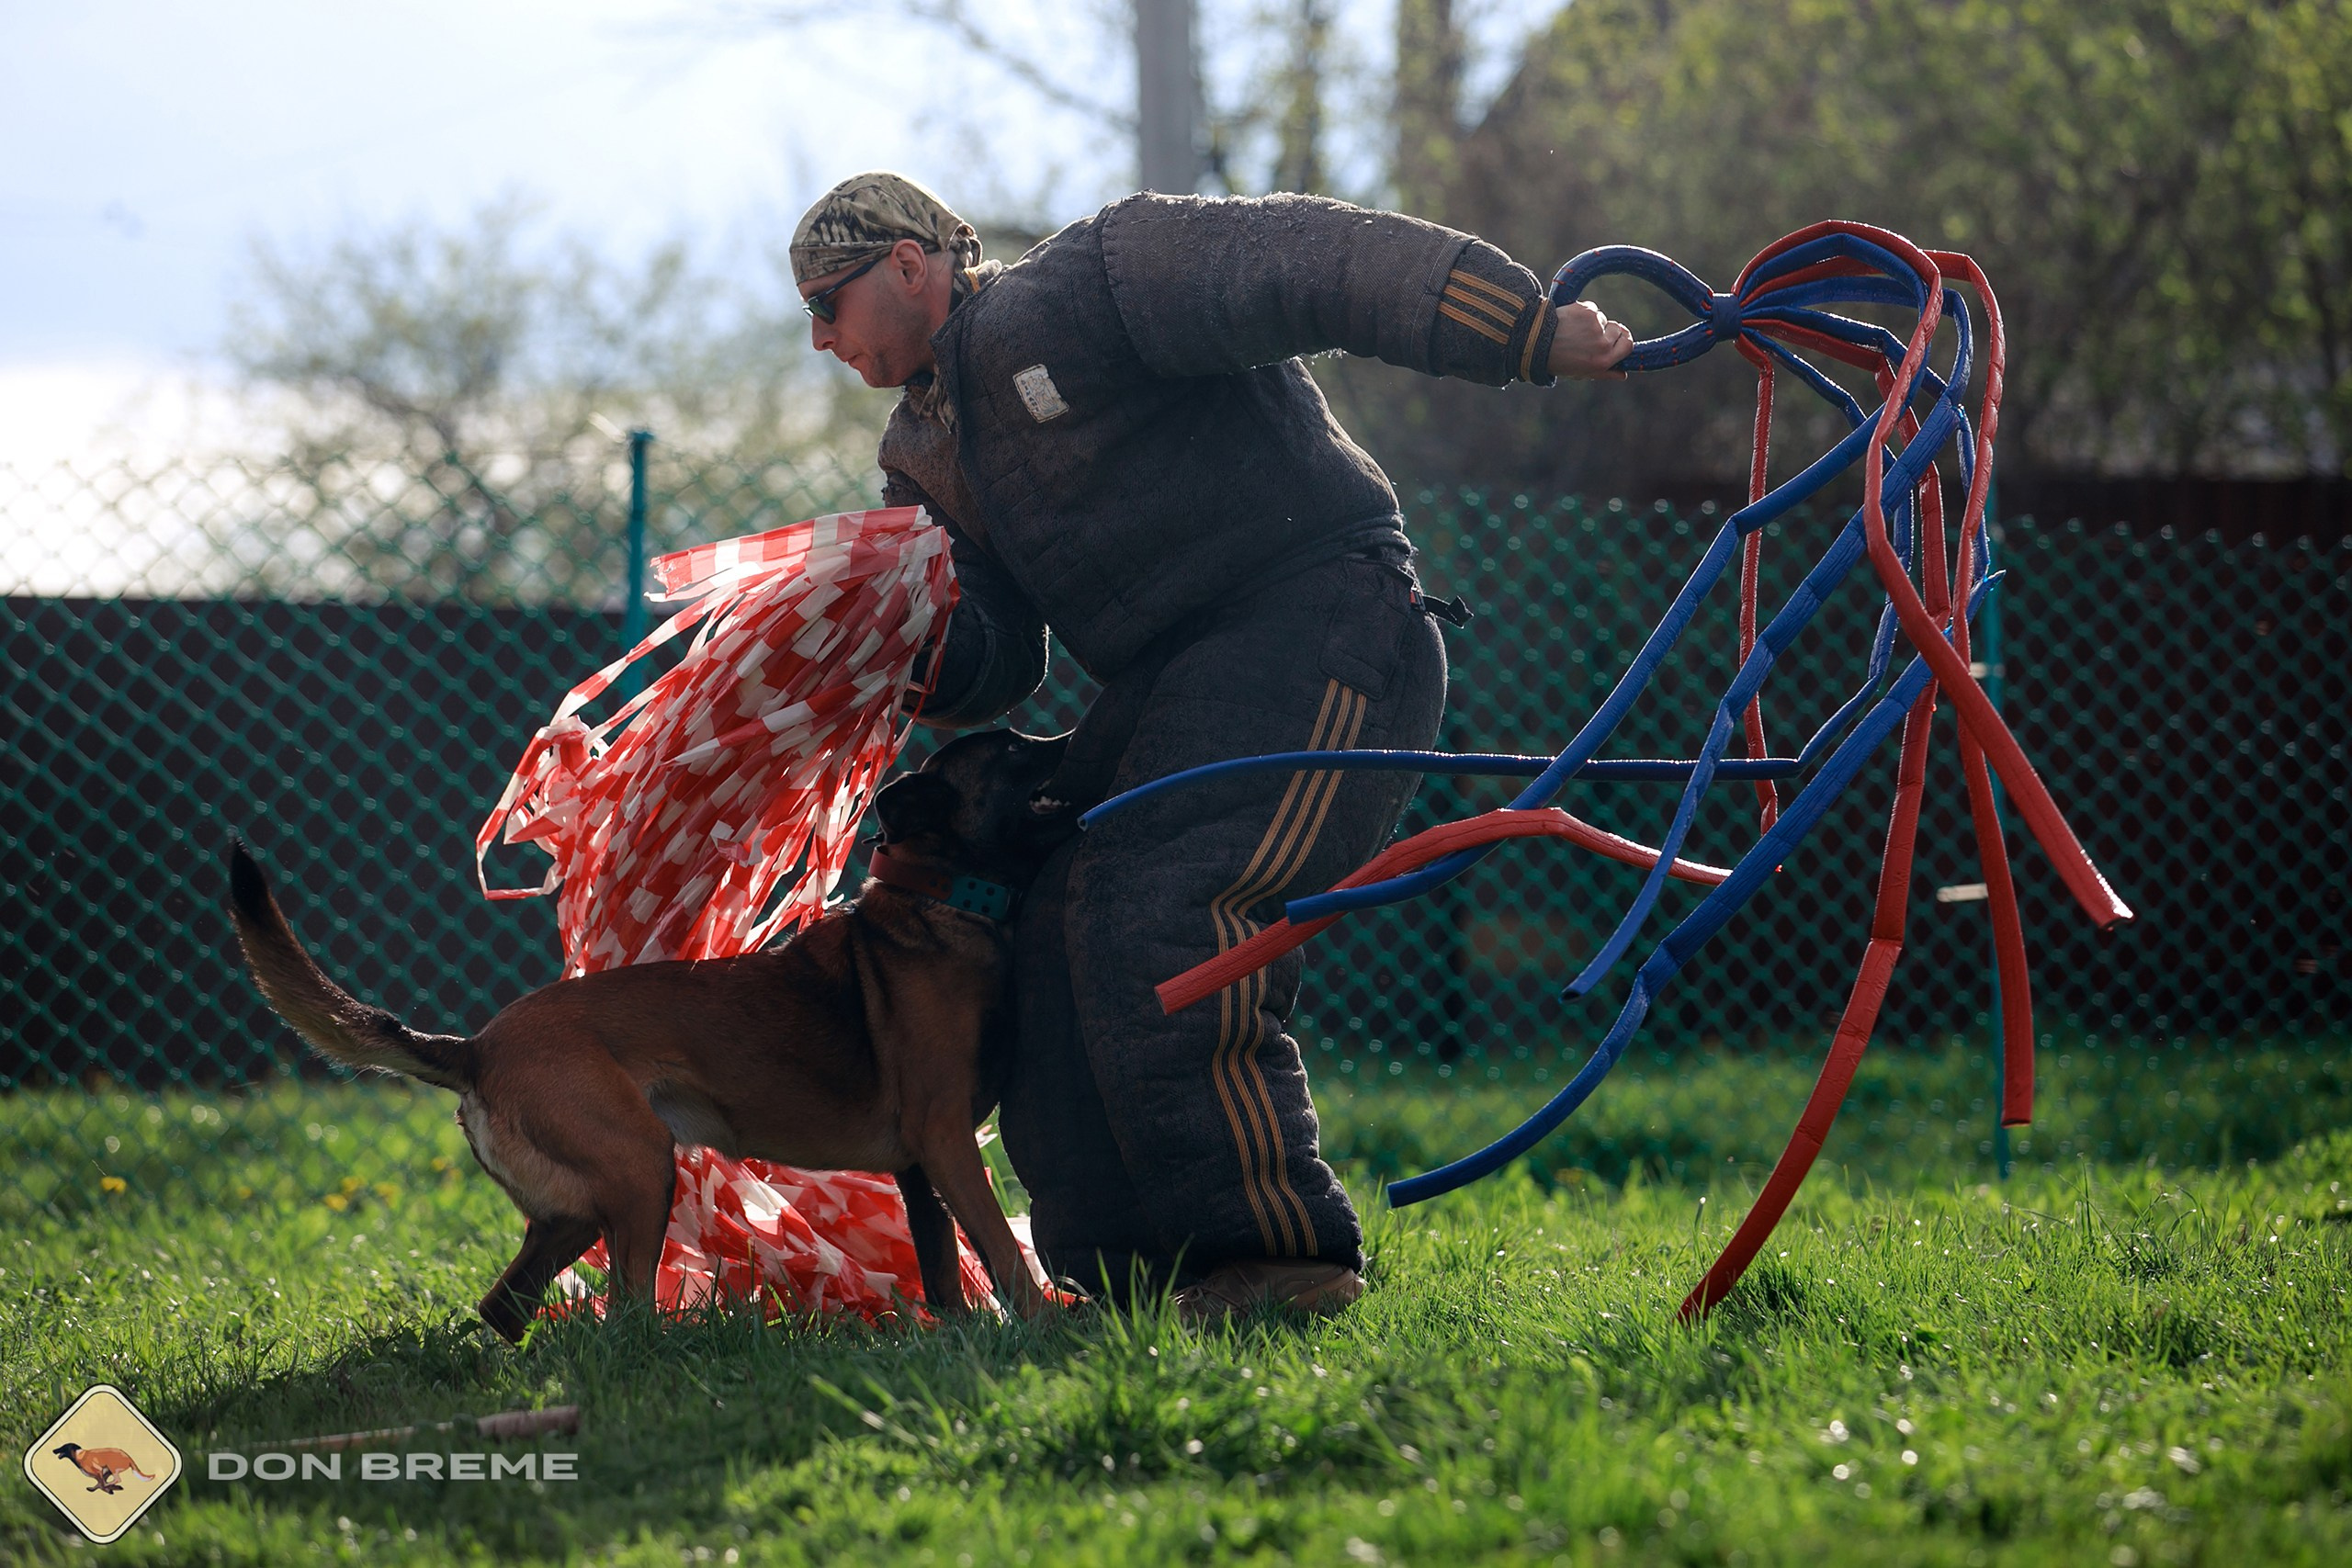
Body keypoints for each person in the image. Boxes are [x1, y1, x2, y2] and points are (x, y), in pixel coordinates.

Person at [792, 170, 1631, 1322]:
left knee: (1166, 902)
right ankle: (1121, 1277)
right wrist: (888, 632)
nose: (820, 337)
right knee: (1046, 918)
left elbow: (1309, 259)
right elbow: (1000, 657)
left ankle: (1279, 1257)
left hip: (1325, 620)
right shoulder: (919, 453)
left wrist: (1520, 327)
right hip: (1170, 680)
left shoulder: (1091, 282)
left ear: (906, 263)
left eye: (826, 303)